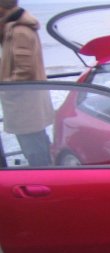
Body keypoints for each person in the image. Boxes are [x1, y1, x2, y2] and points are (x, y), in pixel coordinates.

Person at [0, 0, 53, 167]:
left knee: (34, 151)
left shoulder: (19, 31)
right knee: (38, 146)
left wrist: (7, 89)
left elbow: (24, 70)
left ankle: (43, 179)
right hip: (28, 103)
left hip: (25, 104)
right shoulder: (13, 28)